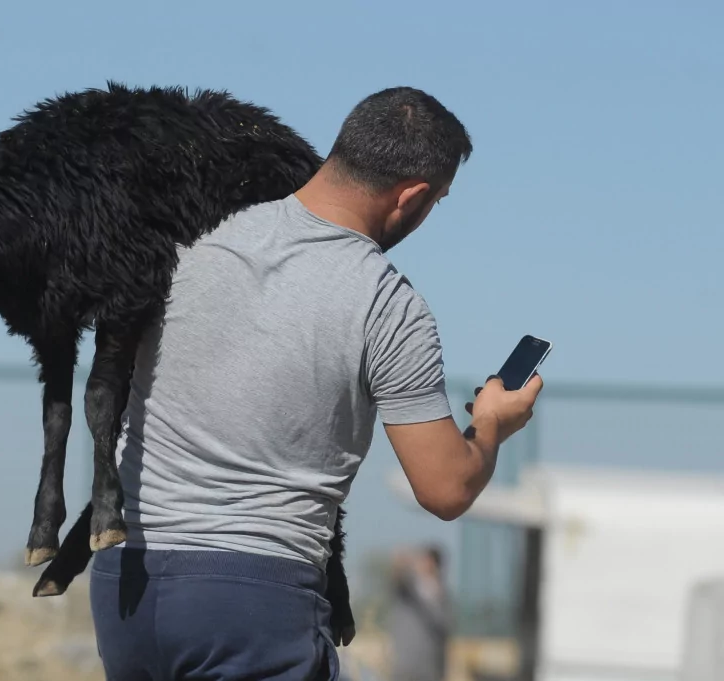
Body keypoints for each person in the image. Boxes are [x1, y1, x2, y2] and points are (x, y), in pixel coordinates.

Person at [89, 86, 544, 681]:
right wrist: (490, 424)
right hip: (252, 597)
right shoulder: (386, 303)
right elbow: (444, 488)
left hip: (127, 586)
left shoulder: (191, 239)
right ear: (410, 197)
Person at [388, 545, 453, 681]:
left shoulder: (441, 595)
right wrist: (407, 560)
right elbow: (397, 568)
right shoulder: (408, 586)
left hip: (430, 669)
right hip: (405, 666)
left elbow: (445, 629)